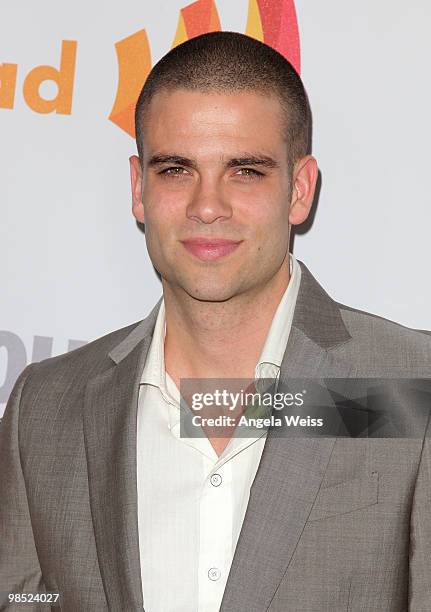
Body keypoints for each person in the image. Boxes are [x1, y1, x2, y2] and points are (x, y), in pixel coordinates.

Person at [1, 31, 430, 612]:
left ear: (299, 190)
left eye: (245, 172)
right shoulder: (46, 408)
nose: (207, 206)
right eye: (176, 170)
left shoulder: (409, 387)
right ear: (138, 189)